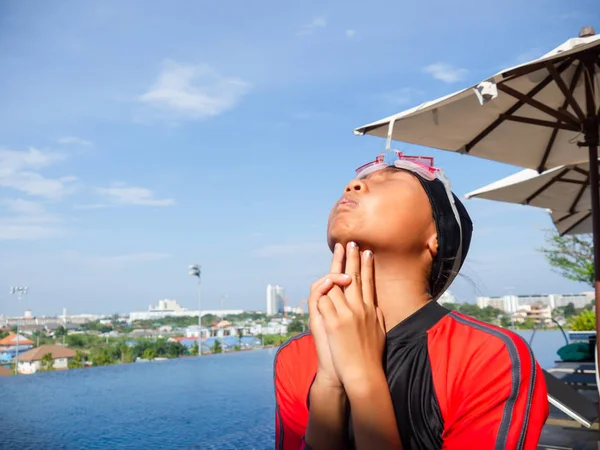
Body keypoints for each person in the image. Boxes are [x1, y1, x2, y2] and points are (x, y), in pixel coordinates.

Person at [274, 150, 548, 450]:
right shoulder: (296, 356)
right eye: (359, 179)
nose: (353, 185)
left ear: (437, 237)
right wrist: (328, 385)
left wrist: (362, 378)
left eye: (391, 180)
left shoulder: (484, 356)